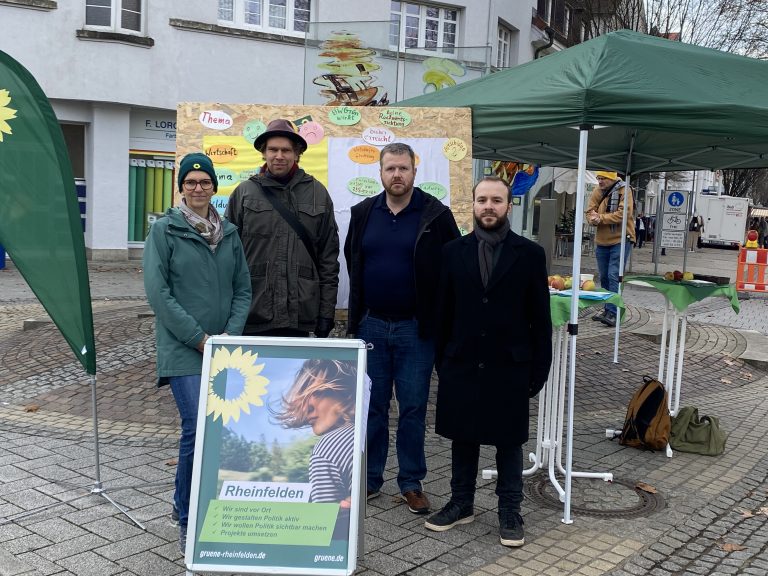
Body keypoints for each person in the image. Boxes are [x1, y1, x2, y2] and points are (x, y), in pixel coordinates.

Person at [425, 176, 552, 547]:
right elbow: (442, 313)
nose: (488, 207)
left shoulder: (529, 254)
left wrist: (538, 368)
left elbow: (539, 319)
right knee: (462, 437)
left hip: (509, 364)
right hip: (461, 362)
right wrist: (442, 360)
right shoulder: (452, 252)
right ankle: (461, 502)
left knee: (508, 441)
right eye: (482, 200)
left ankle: (509, 510)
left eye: (496, 200)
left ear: (508, 205)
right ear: (474, 204)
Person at [143, 152, 251, 552]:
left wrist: (229, 335)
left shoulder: (230, 234)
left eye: (205, 181)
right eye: (191, 181)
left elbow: (243, 289)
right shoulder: (165, 231)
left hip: (222, 346)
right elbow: (159, 293)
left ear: (213, 187)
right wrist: (198, 337)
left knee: (220, 428)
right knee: (197, 427)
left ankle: (211, 505)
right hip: (184, 347)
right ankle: (186, 514)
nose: (198, 187)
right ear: (182, 187)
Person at [345, 142, 460, 514]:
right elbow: (353, 259)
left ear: (414, 172)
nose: (397, 175)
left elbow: (454, 267)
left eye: (404, 169)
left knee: (412, 409)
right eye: (391, 169)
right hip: (372, 326)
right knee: (373, 407)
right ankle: (370, 479)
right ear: (380, 173)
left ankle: (411, 482)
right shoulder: (364, 212)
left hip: (416, 329)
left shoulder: (435, 214)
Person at [225, 118, 340, 337]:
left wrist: (326, 313)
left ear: (297, 154)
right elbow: (227, 256)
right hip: (253, 312)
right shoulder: (244, 192)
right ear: (263, 153)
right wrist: (229, 311)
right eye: (273, 149)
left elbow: (328, 259)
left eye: (286, 150)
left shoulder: (317, 193)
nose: (279, 156)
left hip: (301, 314)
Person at [274, 359, 357, 539]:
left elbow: (323, 528)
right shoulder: (359, 434)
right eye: (304, 397)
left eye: (318, 393)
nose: (307, 407)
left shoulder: (326, 450)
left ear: (346, 393)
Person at [586, 171, 635, 328]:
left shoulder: (624, 190)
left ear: (612, 178)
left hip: (621, 239)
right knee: (604, 277)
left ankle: (613, 313)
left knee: (613, 275)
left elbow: (623, 214)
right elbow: (589, 212)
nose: (600, 181)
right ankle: (607, 309)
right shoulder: (596, 192)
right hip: (602, 240)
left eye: (603, 179)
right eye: (598, 178)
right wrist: (592, 219)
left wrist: (600, 218)